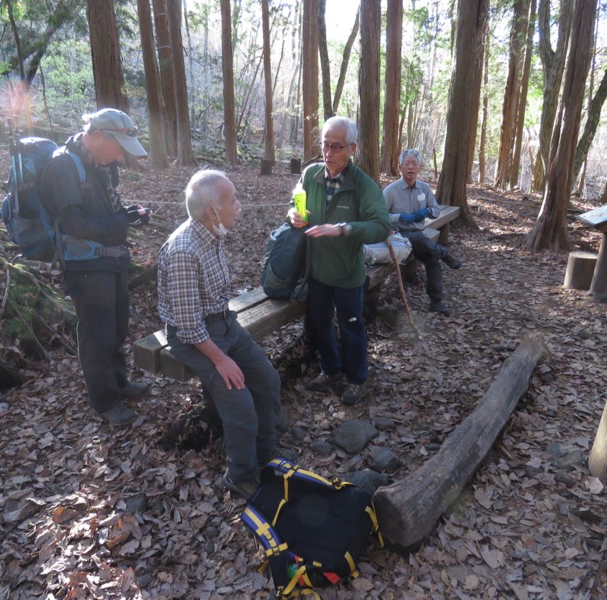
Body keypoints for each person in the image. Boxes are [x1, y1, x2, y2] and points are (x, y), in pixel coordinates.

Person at [157, 170, 282, 499]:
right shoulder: (184, 250)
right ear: (212, 211)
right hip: (195, 338)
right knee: (241, 405)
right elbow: (189, 326)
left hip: (224, 322)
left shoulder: (212, 234)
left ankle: (265, 454)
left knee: (267, 380)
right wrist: (221, 360)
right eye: (233, 200)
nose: (239, 206)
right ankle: (240, 476)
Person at [41, 108, 152, 426]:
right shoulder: (64, 164)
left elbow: (103, 212)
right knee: (96, 334)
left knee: (117, 326)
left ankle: (119, 383)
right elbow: (73, 222)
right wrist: (118, 224)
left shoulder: (97, 164)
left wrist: (129, 214)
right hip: (85, 265)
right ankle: (105, 402)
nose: (120, 157)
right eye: (118, 148)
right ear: (98, 135)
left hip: (110, 258)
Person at [287, 116, 391, 406]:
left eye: (336, 147)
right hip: (317, 271)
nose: (329, 153)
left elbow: (381, 225)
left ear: (352, 149)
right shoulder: (311, 175)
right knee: (320, 323)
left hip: (347, 273)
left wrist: (346, 229)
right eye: (325, 145)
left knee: (351, 325)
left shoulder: (362, 185)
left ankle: (357, 378)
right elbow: (296, 203)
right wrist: (293, 216)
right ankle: (329, 368)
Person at [383, 149, 461, 317]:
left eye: (414, 164)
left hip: (418, 236)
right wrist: (400, 216)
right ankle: (444, 253)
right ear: (400, 167)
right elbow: (378, 216)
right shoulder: (391, 190)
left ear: (420, 167)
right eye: (407, 164)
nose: (410, 167)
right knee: (420, 239)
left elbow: (435, 210)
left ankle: (436, 301)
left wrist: (425, 212)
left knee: (432, 259)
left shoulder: (424, 188)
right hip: (397, 235)